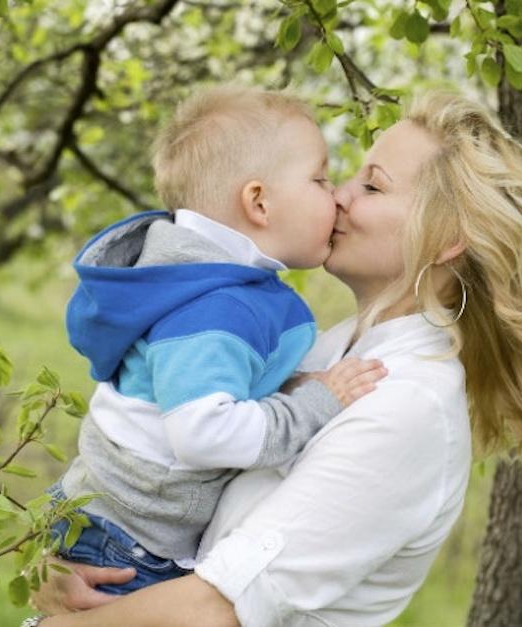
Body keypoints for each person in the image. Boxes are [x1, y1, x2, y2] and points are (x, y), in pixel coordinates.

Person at [28, 90, 522, 626]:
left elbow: (220, 609)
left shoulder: (410, 408)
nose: (339, 195)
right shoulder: (332, 349)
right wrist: (64, 559)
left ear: (446, 239)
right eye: (339, 177)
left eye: (372, 186)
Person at [48, 85, 388, 595]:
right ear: (259, 202)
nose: (336, 193)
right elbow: (203, 433)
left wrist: (289, 383)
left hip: (116, 523)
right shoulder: (215, 309)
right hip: (127, 544)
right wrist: (317, 402)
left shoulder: (205, 281)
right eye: (319, 178)